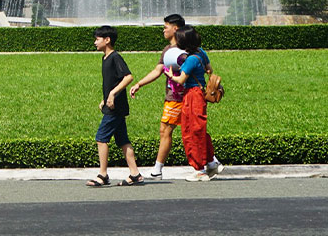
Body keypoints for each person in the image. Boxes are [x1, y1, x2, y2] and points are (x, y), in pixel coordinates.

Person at [129, 13, 189, 179]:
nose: (163, 30)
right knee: (190, 130)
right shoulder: (168, 50)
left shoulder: (184, 50)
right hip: (174, 97)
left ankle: (157, 170)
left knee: (165, 131)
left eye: (165, 27)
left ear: (175, 28)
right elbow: (158, 71)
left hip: (179, 98)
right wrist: (139, 84)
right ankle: (211, 162)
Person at [86, 25, 143, 187]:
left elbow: (128, 77)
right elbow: (112, 82)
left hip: (115, 108)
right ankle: (135, 174)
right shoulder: (105, 58)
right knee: (123, 141)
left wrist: (112, 95)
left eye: (97, 39)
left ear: (107, 40)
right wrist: (105, 98)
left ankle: (103, 174)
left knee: (101, 138)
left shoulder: (115, 57)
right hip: (112, 105)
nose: (95, 42)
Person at [166, 26, 224, 181]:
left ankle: (199, 169)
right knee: (199, 128)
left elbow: (181, 79)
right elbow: (209, 70)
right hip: (200, 93)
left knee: (190, 131)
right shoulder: (201, 52)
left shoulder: (190, 59)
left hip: (191, 95)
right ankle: (211, 162)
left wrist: (171, 75)